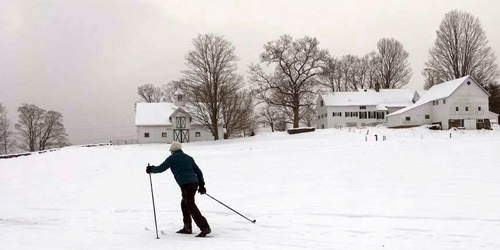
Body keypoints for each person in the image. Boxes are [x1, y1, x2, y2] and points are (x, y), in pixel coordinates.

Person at [146, 141, 211, 237]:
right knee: (185, 204)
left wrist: (151, 169)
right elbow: (198, 172)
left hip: (186, 184)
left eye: (170, 150)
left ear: (172, 150)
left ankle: (204, 227)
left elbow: (161, 168)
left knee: (189, 205)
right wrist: (201, 185)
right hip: (194, 183)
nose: (170, 152)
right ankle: (187, 227)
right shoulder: (188, 157)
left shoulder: (172, 158)